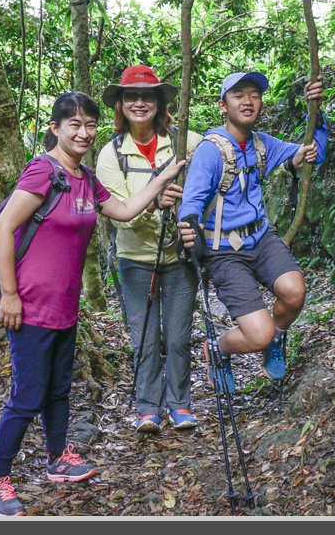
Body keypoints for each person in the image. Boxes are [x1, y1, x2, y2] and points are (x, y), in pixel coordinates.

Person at [0, 91, 190, 517]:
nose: (83, 132)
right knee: (27, 397)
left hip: (65, 306)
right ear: (55, 128)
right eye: (73, 124)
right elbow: (3, 229)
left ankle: (58, 458)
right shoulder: (44, 170)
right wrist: (9, 295)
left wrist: (163, 177)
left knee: (59, 389)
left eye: (90, 125)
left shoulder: (86, 178)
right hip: (30, 306)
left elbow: (125, 210)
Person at [177, 71, 326, 395]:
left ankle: (277, 338)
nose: (248, 102)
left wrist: (315, 110)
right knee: (258, 334)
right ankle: (219, 348)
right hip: (224, 250)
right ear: (223, 105)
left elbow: (311, 153)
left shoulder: (262, 144)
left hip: (260, 237)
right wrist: (189, 225)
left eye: (254, 96)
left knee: (294, 291)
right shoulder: (211, 149)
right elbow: (192, 199)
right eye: (238, 95)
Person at [96, 65, 204, 434]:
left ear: (160, 102)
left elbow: (217, 168)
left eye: (147, 96)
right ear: (121, 104)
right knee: (143, 336)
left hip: (180, 256)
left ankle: (180, 404)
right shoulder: (111, 154)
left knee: (177, 336)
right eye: (131, 96)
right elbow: (119, 215)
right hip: (134, 260)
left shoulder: (186, 142)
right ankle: (148, 408)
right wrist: (155, 203)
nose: (139, 103)